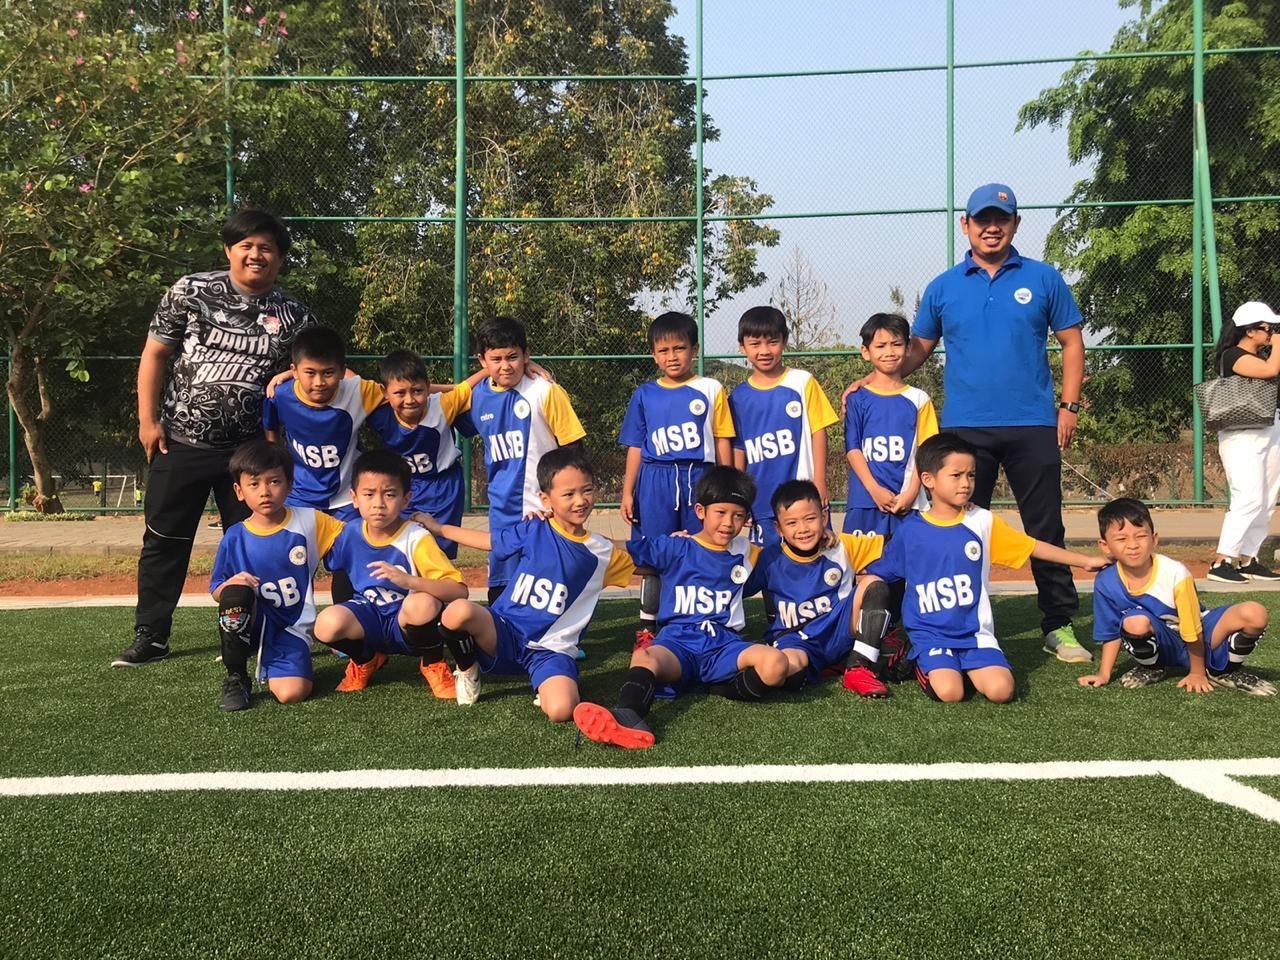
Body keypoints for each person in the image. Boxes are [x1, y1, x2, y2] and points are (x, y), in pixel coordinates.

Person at [853, 183, 1090, 664]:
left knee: (1045, 525)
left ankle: (1059, 624)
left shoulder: (1044, 278)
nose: (991, 227)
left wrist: (1068, 407)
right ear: (966, 225)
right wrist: (874, 377)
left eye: (1001, 219)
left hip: (1032, 425)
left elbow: (1071, 342)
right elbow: (917, 349)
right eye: (982, 219)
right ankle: (936, 621)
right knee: (950, 528)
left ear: (1016, 224)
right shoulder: (943, 286)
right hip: (964, 432)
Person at [115, 208, 316, 668]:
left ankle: (255, 631)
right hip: (179, 441)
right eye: (246, 245)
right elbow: (154, 355)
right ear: (228, 250)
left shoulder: (294, 315)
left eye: (266, 247)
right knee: (164, 540)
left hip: (248, 454)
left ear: (280, 258)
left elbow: (317, 368)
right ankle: (152, 635)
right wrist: (147, 420)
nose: (256, 254)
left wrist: (288, 375)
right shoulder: (191, 291)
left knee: (253, 544)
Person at [866, 433, 1107, 704]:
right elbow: (883, 571)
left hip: (975, 635)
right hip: (931, 635)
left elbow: (1031, 546)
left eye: (971, 475)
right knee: (950, 692)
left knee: (1001, 691)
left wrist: (1084, 561)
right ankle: (915, 656)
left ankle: (965, 666)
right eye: (956, 475)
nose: (966, 483)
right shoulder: (910, 530)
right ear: (928, 480)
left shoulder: (981, 521)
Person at [573, 466, 790, 750]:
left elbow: (792, 553)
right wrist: (563, 529)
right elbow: (618, 546)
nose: (728, 523)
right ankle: (628, 715)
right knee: (644, 656)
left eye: (738, 515)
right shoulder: (677, 547)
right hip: (678, 643)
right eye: (720, 512)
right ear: (700, 511)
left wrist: (826, 539)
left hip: (724, 645)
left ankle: (717, 686)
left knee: (776, 664)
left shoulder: (748, 551)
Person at [420, 448, 636, 722]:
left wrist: (679, 544)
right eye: (568, 494)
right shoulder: (534, 527)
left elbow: (646, 556)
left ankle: (545, 687)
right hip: (504, 632)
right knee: (457, 612)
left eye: (587, 490)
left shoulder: (602, 552)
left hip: (551, 651)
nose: (580, 501)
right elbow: (488, 541)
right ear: (546, 499)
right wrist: (439, 528)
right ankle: (467, 668)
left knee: (561, 710)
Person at [311, 450, 468, 698]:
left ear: (406, 499)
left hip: (407, 621)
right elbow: (301, 527)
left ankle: (433, 663)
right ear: (354, 498)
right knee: (325, 624)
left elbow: (459, 591)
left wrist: (409, 581)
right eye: (369, 494)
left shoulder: (416, 537)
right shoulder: (348, 533)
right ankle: (366, 659)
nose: (378, 504)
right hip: (371, 616)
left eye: (390, 494)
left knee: (421, 604)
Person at [1083, 497, 1275, 695]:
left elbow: (1192, 628)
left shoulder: (1175, 572)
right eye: (1121, 539)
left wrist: (1197, 672)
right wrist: (1104, 674)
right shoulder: (1105, 581)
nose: (1133, 545)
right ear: (1105, 546)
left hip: (1200, 636)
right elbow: (1111, 632)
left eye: (1140, 536)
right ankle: (1152, 668)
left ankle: (1223, 670)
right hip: (1165, 643)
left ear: (1154, 539)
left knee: (1255, 613)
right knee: (1134, 622)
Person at [454, 316, 586, 603]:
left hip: (544, 510)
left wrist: (561, 501)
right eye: (496, 359)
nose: (505, 366)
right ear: (482, 361)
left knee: (548, 588)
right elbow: (443, 402)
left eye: (513, 357)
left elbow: (573, 449)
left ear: (526, 355)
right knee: (501, 591)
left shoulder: (545, 390)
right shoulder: (477, 397)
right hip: (501, 511)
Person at [619, 311, 734, 639]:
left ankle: (703, 618)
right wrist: (628, 492)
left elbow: (722, 438)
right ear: (654, 355)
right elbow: (636, 446)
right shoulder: (644, 394)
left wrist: (727, 486)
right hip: (655, 478)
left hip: (700, 477)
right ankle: (648, 625)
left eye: (679, 348)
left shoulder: (710, 388)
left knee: (702, 547)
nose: (672, 356)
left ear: (694, 350)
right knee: (654, 549)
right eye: (664, 350)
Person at [209, 438, 344, 711]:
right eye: (254, 484)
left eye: (274, 482)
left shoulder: (309, 521)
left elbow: (353, 540)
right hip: (251, 623)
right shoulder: (234, 536)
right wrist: (229, 586)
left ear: (290, 484)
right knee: (236, 592)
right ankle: (237, 675)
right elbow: (216, 589)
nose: (265, 492)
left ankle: (282, 659)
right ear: (239, 491)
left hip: (290, 627)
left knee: (291, 693)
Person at [745, 480, 893, 698]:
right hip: (795, 639)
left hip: (839, 630)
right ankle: (836, 663)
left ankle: (859, 667)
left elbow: (897, 548)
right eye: (792, 523)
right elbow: (734, 587)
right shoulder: (768, 558)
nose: (803, 529)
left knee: (874, 585)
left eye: (810, 519)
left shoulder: (842, 545)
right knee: (790, 673)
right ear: (778, 528)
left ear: (824, 517)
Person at [730, 306, 839, 548]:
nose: (764, 351)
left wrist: (820, 482)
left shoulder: (802, 382)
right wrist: (741, 495)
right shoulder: (738, 397)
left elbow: (819, 432)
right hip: (761, 500)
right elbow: (738, 449)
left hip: (804, 497)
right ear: (742, 347)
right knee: (768, 563)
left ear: (784, 341)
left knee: (817, 556)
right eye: (755, 344)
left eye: (772, 342)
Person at [262, 326, 384, 523]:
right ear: (294, 371)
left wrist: (441, 391)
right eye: (310, 373)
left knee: (351, 543)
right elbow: (270, 428)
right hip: (299, 496)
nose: (319, 382)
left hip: (347, 497)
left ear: (342, 371)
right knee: (291, 542)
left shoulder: (359, 392)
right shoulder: (280, 395)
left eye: (328, 373)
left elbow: (404, 390)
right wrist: (277, 462)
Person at [366, 349, 478, 560]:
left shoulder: (443, 405)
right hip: (402, 485)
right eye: (400, 393)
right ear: (384, 392)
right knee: (400, 548)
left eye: (417, 391)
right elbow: (344, 374)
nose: (409, 399)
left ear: (427, 386)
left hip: (443, 487)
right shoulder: (378, 412)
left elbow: (470, 384)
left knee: (438, 553)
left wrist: (524, 366)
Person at [842, 312, 938, 538]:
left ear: (908, 348)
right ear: (866, 351)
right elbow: (853, 449)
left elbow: (926, 452)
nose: (889, 352)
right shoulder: (856, 398)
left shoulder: (919, 399)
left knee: (911, 560)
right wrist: (874, 489)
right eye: (880, 346)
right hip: (865, 501)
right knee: (863, 561)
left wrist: (911, 493)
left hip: (909, 504)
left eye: (896, 344)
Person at [1207, 301, 1280, 583]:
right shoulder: (1232, 356)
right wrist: (1279, 343)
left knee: (1267, 498)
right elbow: (1270, 371)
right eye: (1268, 328)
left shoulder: (1262, 356)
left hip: (1269, 428)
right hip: (1242, 435)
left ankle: (1248, 558)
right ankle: (1221, 561)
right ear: (1249, 331)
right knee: (1247, 497)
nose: (1272, 333)